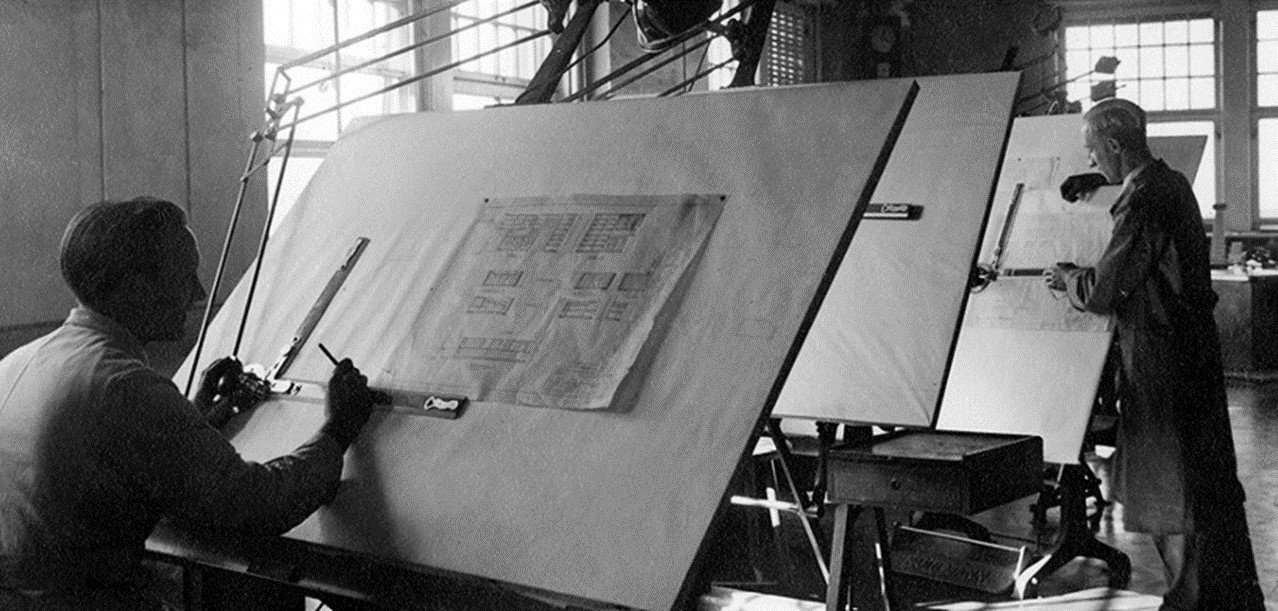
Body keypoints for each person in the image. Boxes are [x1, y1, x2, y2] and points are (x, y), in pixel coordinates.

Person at [0, 197, 374, 609]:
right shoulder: (126, 389)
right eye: (185, 276)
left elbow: (115, 458)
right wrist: (339, 428)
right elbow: (255, 504)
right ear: (137, 287)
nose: (198, 293)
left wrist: (196, 416)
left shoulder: (19, 362)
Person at [1048, 99, 1265, 609]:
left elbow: (1105, 289)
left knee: (1174, 490)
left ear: (1115, 144)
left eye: (1094, 151)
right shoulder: (1170, 184)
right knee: (1205, 484)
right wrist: (1097, 181)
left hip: (1162, 366)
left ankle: (1192, 600)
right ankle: (1227, 597)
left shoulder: (1143, 199)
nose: (1092, 160)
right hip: (1186, 358)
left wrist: (1069, 278)